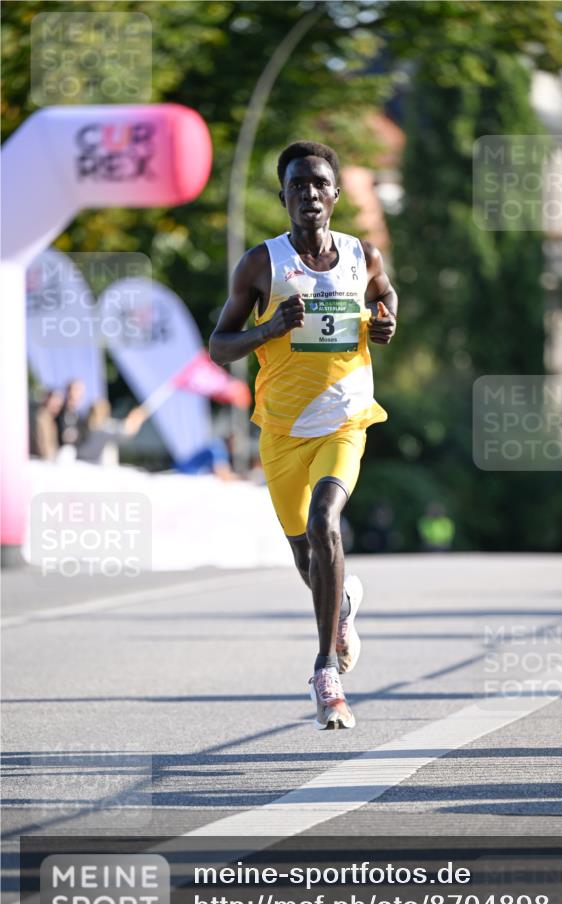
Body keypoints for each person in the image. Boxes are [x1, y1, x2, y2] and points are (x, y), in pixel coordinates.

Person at [209, 140, 398, 730]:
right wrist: (267, 330)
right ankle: (339, 608)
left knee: (324, 524)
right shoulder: (261, 265)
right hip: (282, 430)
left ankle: (325, 672)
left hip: (345, 418)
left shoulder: (359, 254)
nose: (309, 194)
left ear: (335, 194)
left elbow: (386, 294)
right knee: (303, 552)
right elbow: (219, 347)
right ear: (284, 197)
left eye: (319, 184)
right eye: (297, 186)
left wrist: (390, 319)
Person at [76, 398, 148, 465]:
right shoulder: (85, 426)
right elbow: (125, 431)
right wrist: (135, 419)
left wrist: (134, 419)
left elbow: (124, 430)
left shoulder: (104, 427)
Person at [31, 388, 64, 460]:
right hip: (38, 462)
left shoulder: (50, 419)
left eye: (59, 405)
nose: (57, 406)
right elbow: (43, 449)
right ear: (47, 400)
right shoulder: (41, 417)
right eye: (55, 402)